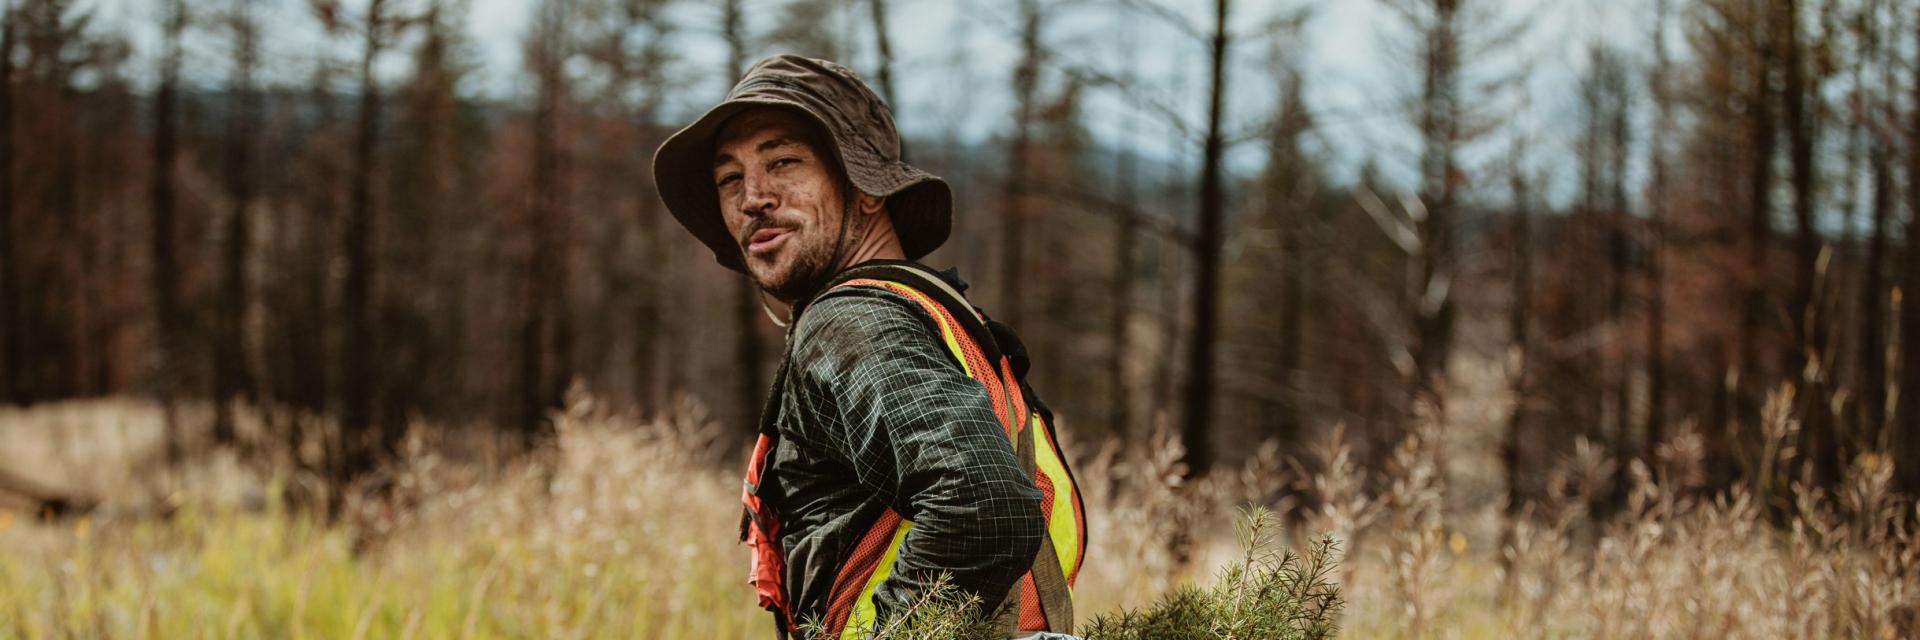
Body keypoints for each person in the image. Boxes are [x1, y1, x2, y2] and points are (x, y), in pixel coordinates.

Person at [652, 55, 1086, 639]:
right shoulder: (929, 313)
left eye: (783, 162)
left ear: (865, 188)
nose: (752, 197)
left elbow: (984, 507)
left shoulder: (851, 319)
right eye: (730, 179)